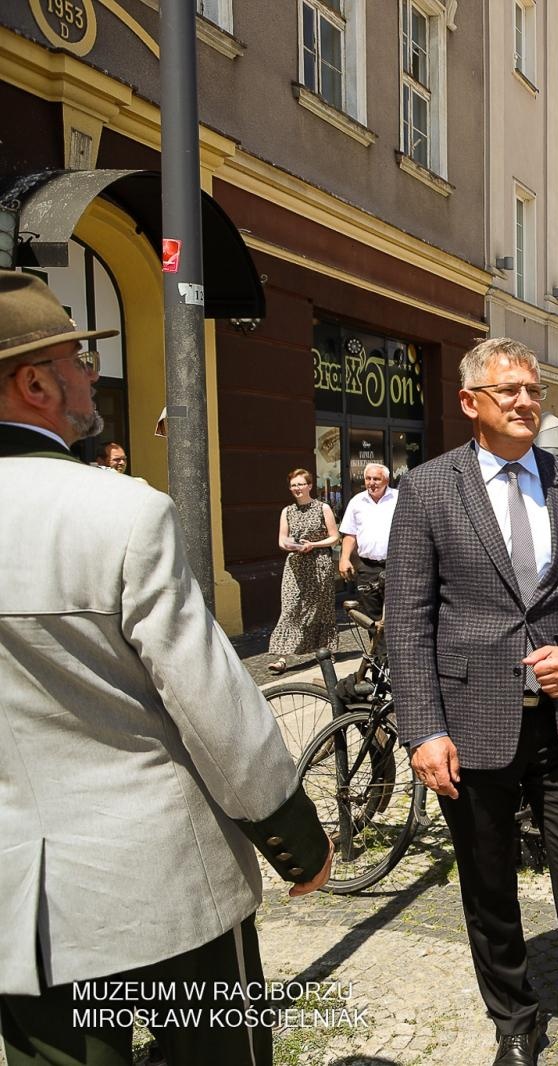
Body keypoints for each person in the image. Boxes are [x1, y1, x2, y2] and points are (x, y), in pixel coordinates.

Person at [0, 269, 331, 1066]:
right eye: (78, 358)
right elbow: (214, 704)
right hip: (161, 879)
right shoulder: (121, 512)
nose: (91, 374)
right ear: (34, 383)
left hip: (19, 907)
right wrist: (293, 835)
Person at [386, 338, 558, 1066]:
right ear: (471, 402)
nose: (527, 401)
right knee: (488, 883)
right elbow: (407, 620)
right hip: (471, 726)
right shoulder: (431, 489)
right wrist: (424, 728)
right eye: (508, 391)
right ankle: (516, 1022)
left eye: (532, 389)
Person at [266, 467, 342, 673]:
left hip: (319, 564)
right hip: (296, 565)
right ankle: (282, 657)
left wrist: (314, 545)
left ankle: (326, 650)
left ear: (309, 485)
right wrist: (291, 545)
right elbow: (282, 539)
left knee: (321, 607)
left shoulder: (322, 508)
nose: (297, 488)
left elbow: (335, 537)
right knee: (290, 608)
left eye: (300, 484)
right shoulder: (287, 511)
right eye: (293, 485)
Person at [338, 461, 397, 617]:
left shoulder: (399, 498)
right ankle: (377, 642)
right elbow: (350, 534)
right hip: (368, 568)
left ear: (386, 480)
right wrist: (344, 559)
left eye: (376, 479)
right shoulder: (356, 502)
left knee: (397, 615)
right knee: (371, 615)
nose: (371, 483)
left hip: (395, 566)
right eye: (368, 479)